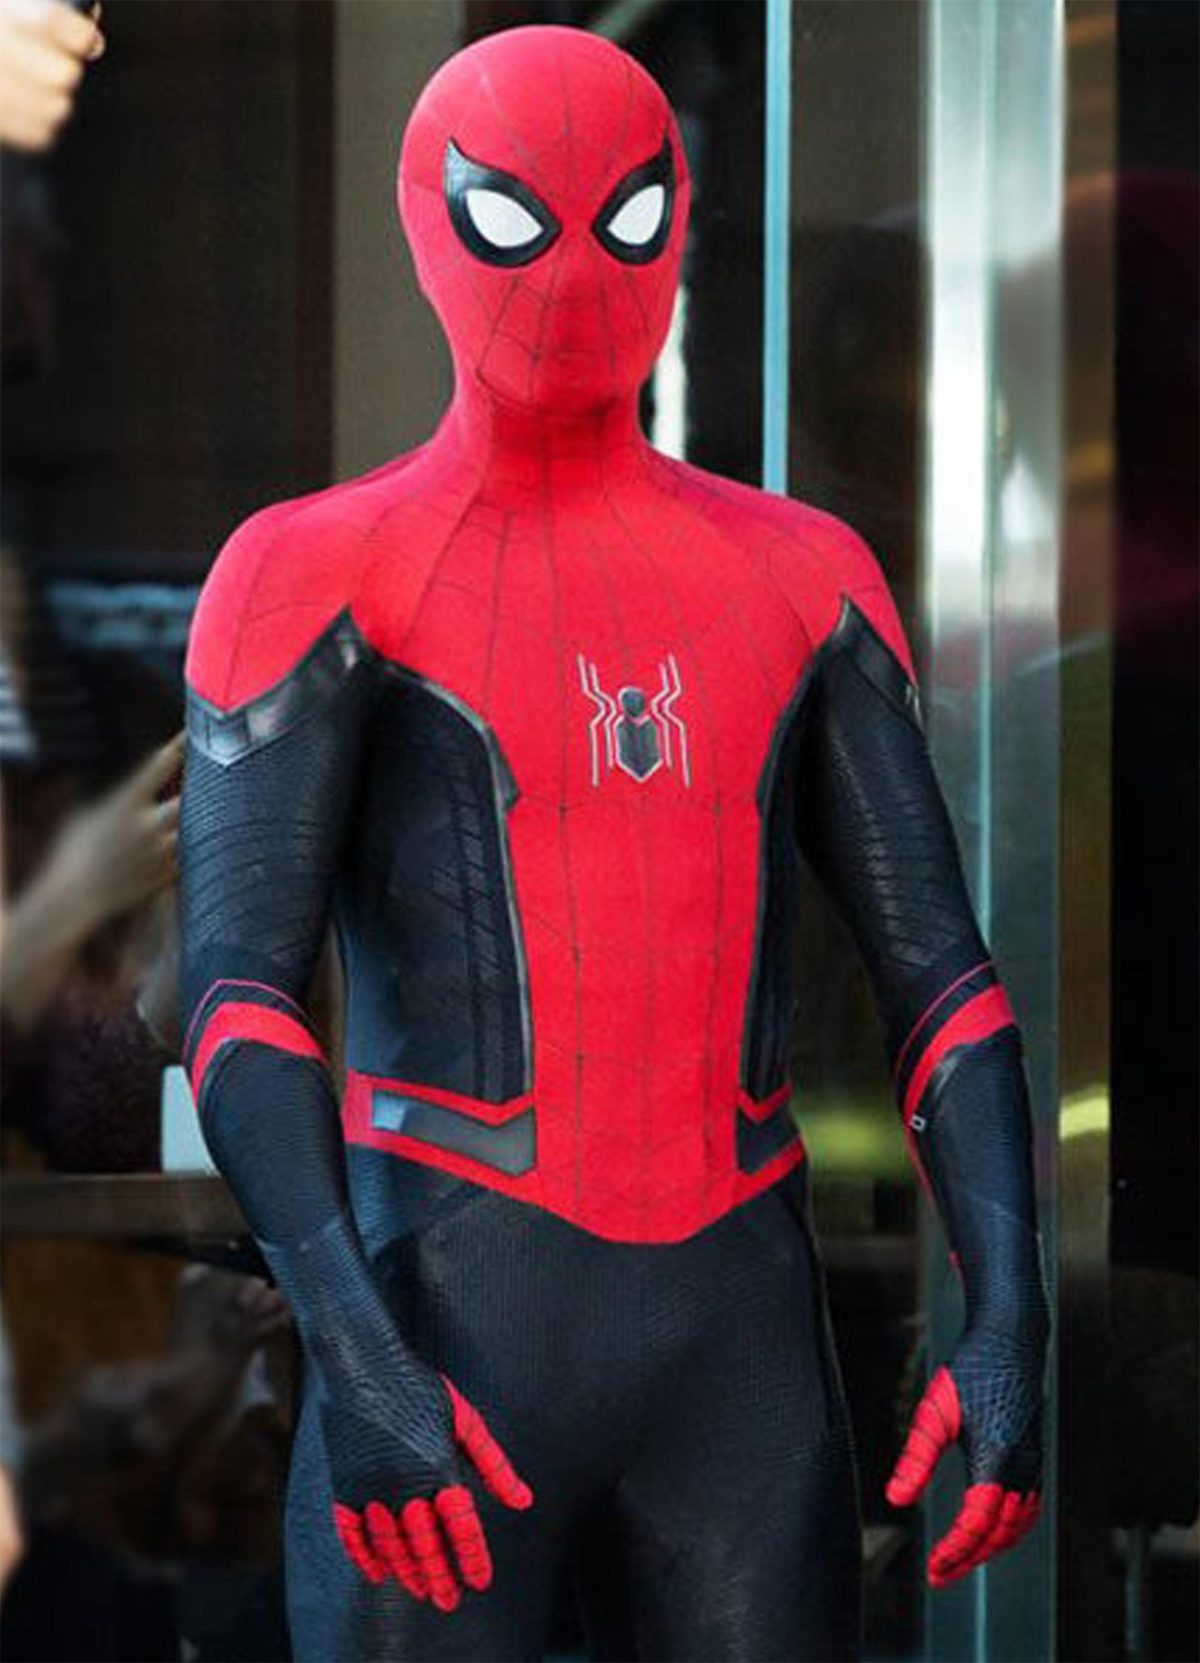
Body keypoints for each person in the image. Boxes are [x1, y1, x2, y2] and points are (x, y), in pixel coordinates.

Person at [177, 26, 1048, 1662]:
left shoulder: (804, 576)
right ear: (427, 220)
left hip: (715, 1363)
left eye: (627, 221)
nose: (574, 277)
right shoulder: (313, 572)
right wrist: (355, 1349)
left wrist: (1012, 1316)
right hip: (446, 1339)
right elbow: (236, 997)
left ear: (683, 219)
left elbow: (942, 980)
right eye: (515, 223)